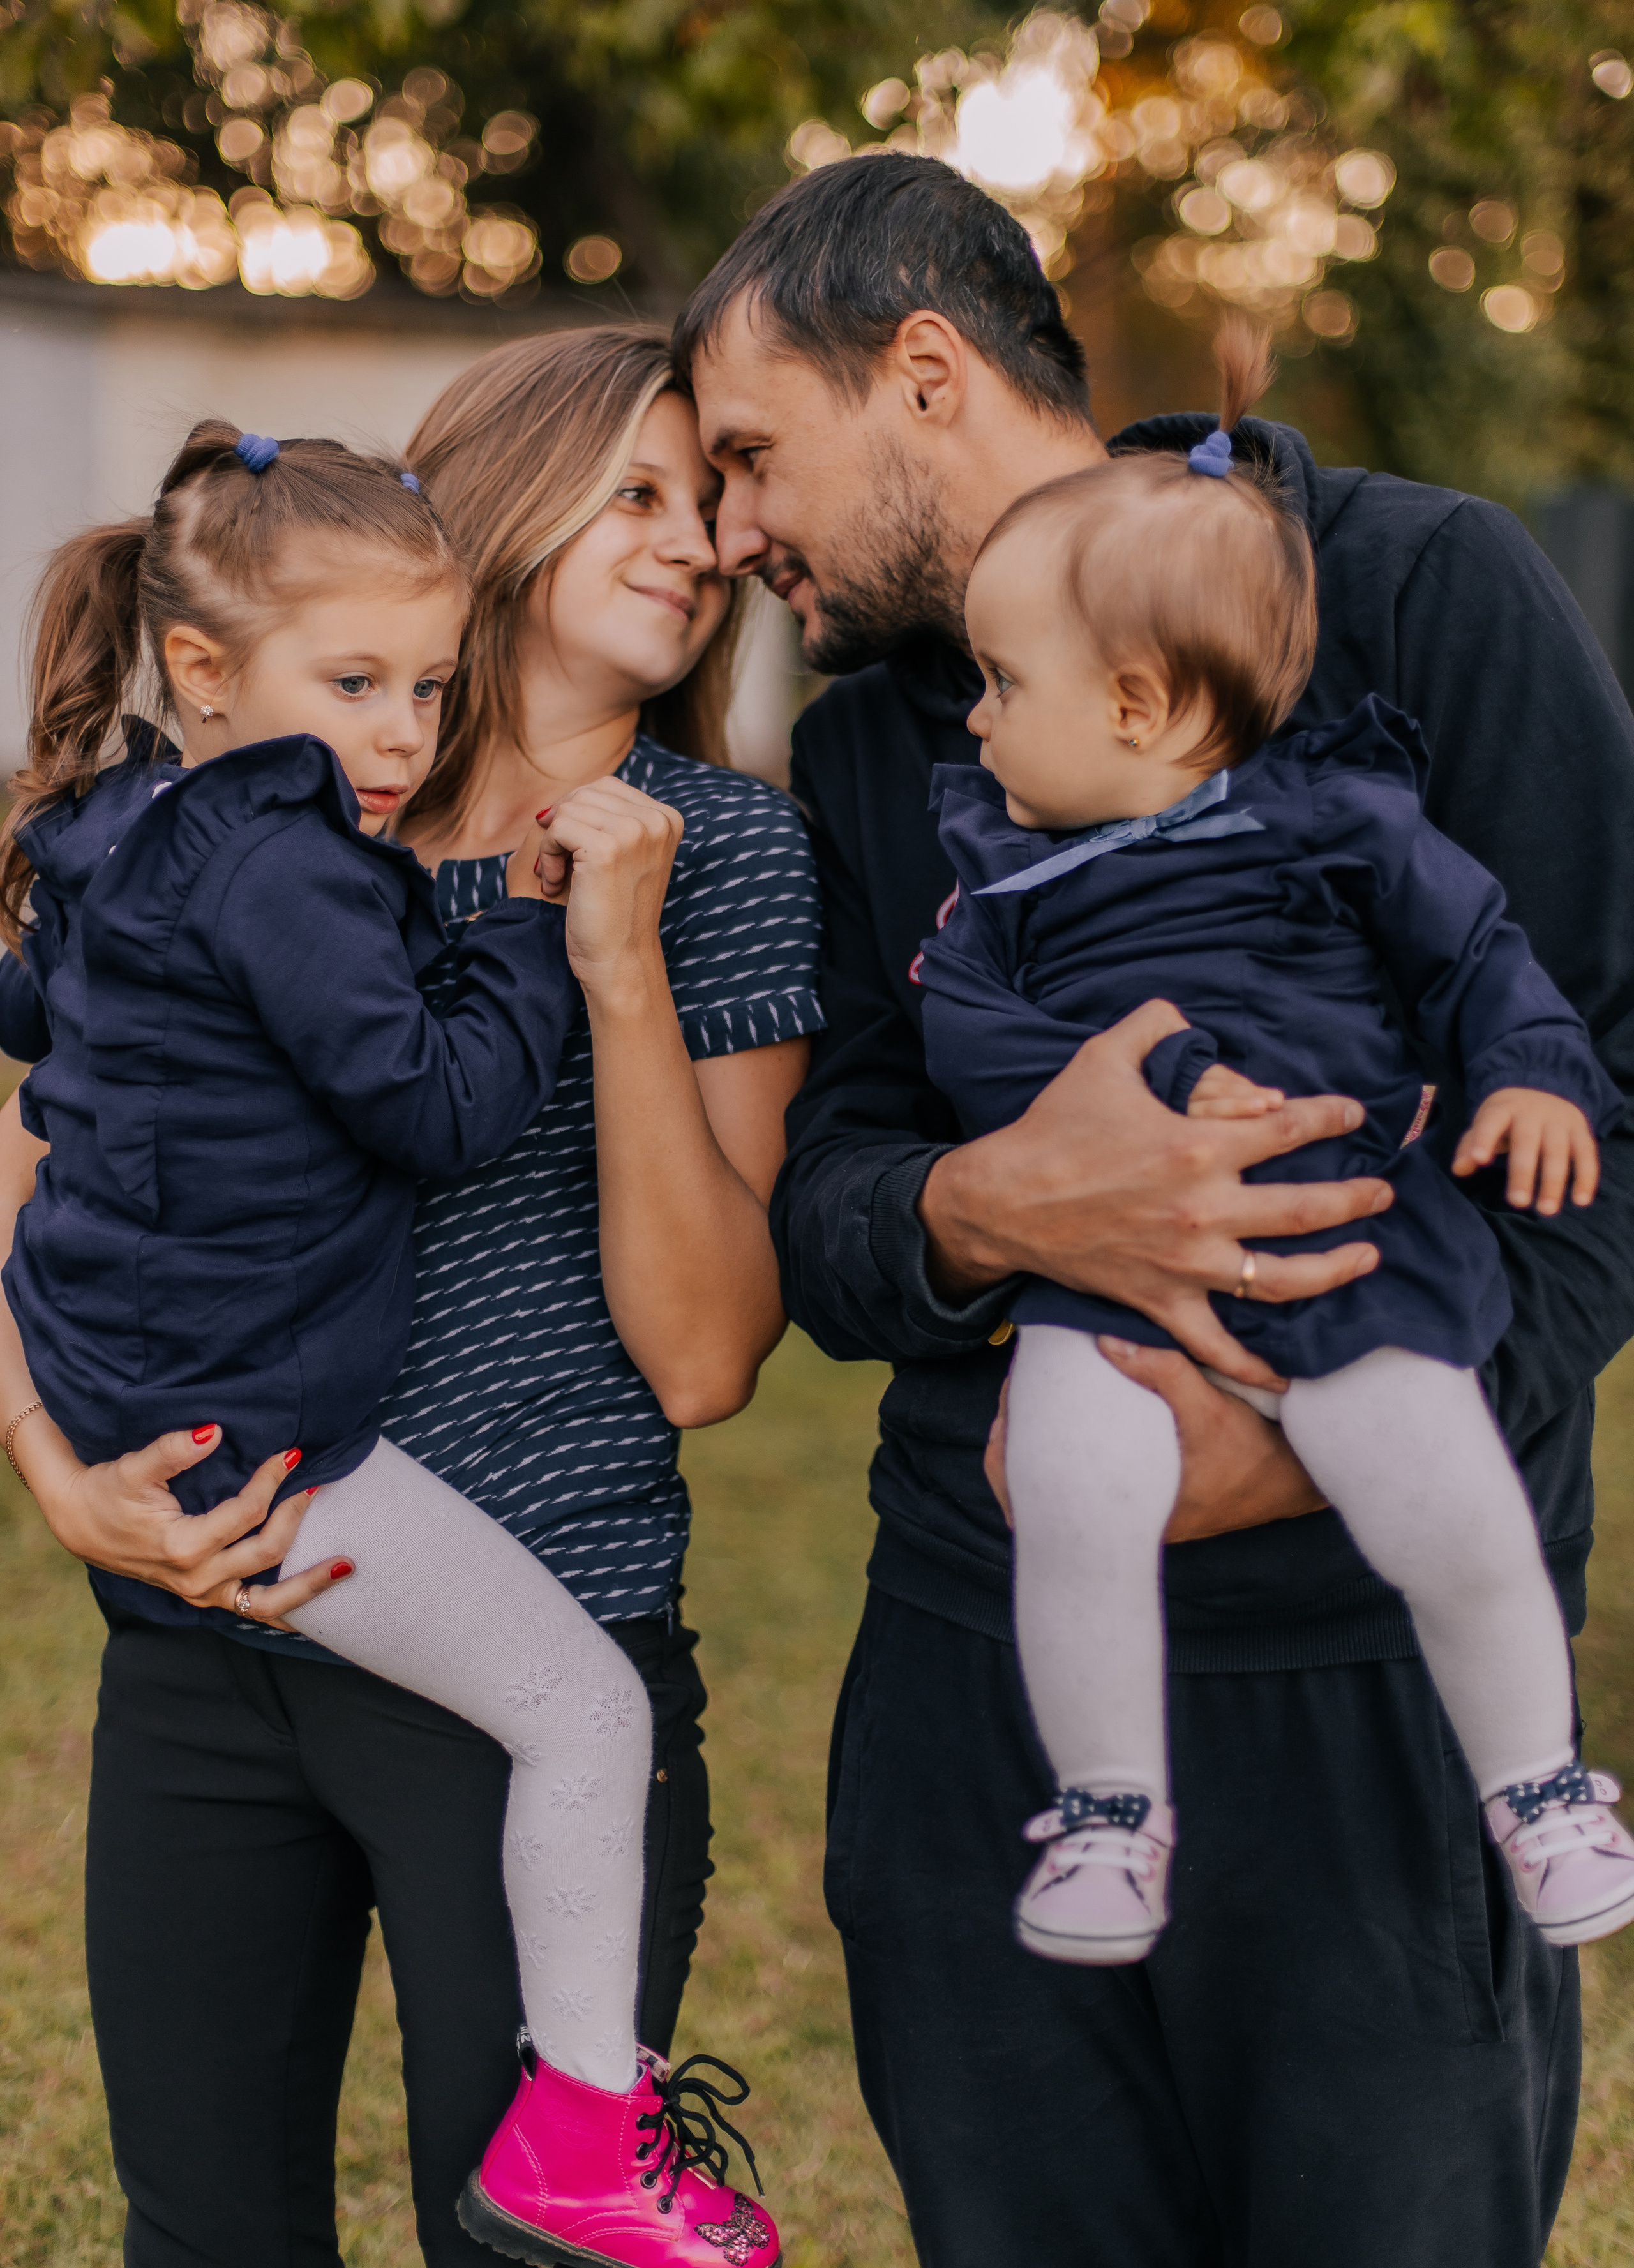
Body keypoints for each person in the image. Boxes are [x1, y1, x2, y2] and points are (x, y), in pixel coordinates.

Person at [673, 154, 1634, 2265]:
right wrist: (993, 1201)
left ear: (924, 371)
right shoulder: (860, 763)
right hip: (978, 1696)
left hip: (1375, 1703)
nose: (733, 535)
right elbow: (832, 1213)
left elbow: (1610, 1094)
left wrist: (1299, 1424)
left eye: (751, 457)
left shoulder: (1422, 594)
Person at [1, 331, 819, 2268]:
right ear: (501, 506)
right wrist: (51, 1461)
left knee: (521, 2239)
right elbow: (41, 1164)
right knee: (203, 2233)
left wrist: (606, 954)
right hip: (216, 1634)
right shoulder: (259, 831)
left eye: (708, 498)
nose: (696, 542)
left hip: (525, 1625)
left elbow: (706, 1358)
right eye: (640, 488)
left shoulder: (730, 848)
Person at [915, 329, 1634, 1967]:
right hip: (1113, 1289)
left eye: (1003, 684)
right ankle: (1106, 1810)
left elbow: (1481, 957)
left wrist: (1529, 1075)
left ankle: (1535, 1783)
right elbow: (969, 1030)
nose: (971, 721)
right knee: (1075, 1493)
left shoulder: (1335, 814)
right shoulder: (1005, 872)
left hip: (1345, 1247)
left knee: (1445, 1498)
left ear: (1140, 704)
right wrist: (1150, 1075)